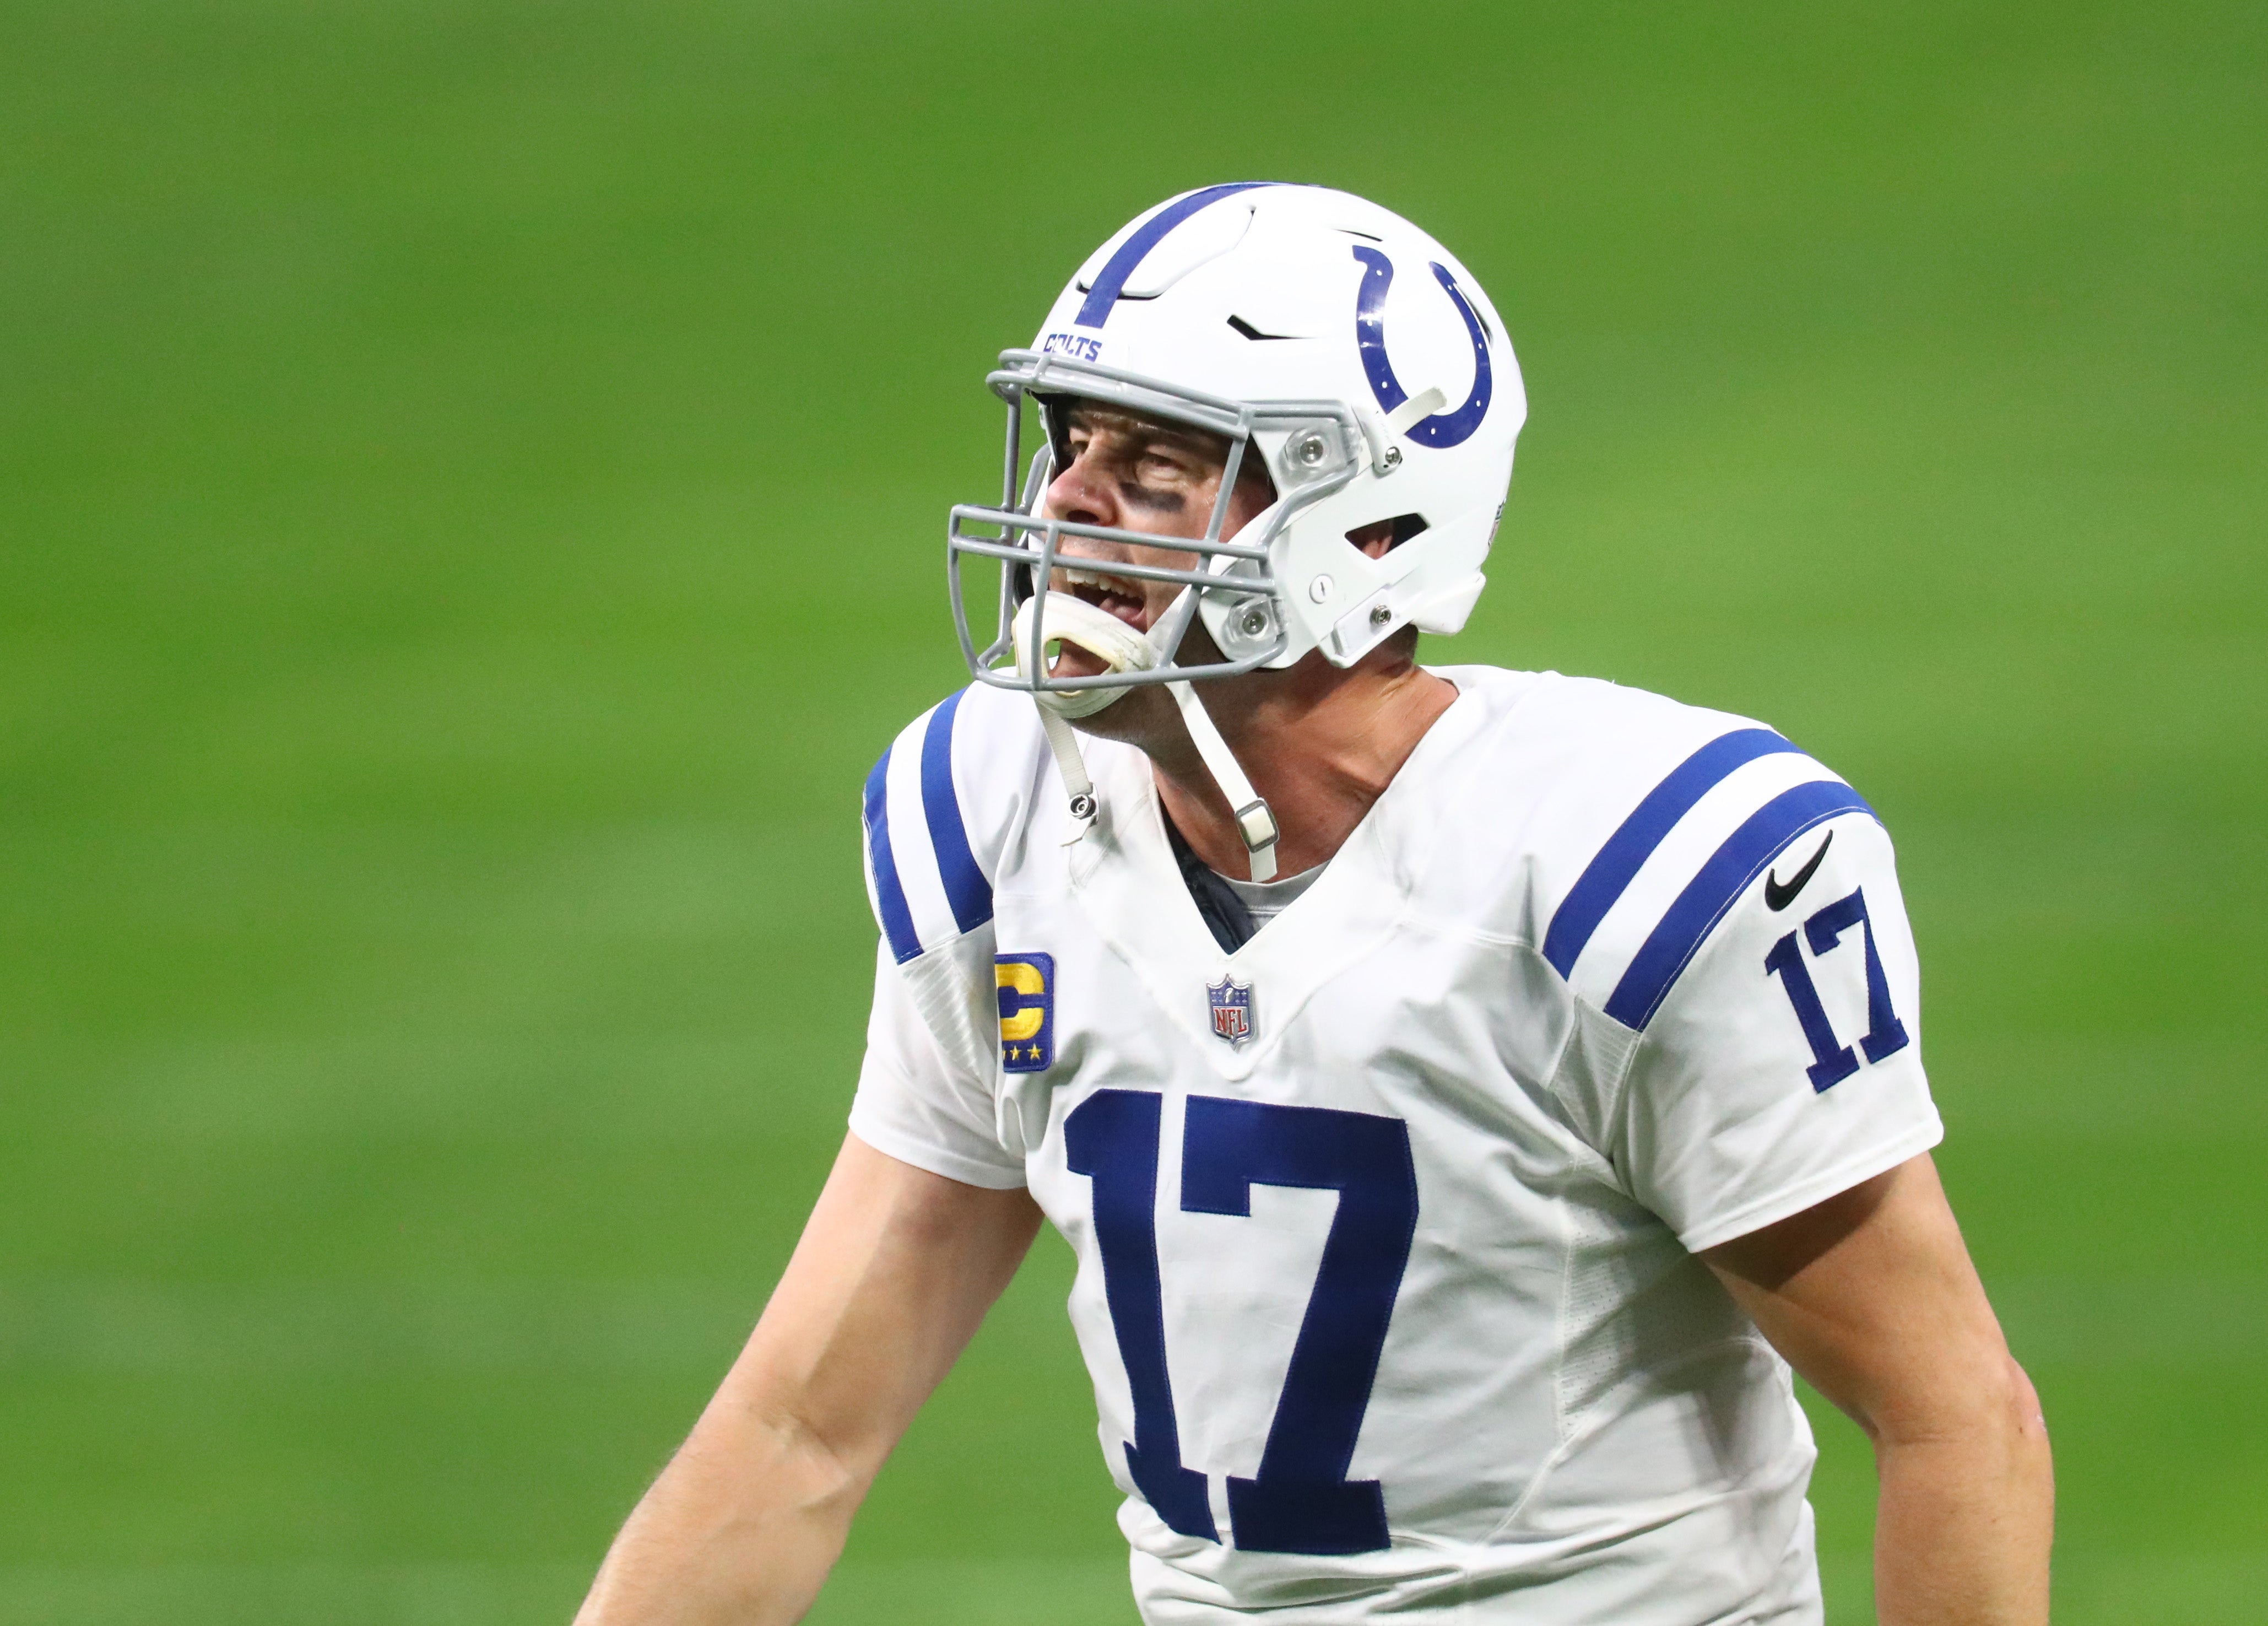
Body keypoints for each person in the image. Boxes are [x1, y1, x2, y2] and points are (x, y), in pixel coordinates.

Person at [576, 184, 2052, 1625]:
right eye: (1073, 442)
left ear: (1372, 536)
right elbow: (803, 1435)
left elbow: (1954, 1419)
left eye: (1160, 463)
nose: (1068, 502)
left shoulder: (1630, 872)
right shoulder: (997, 809)